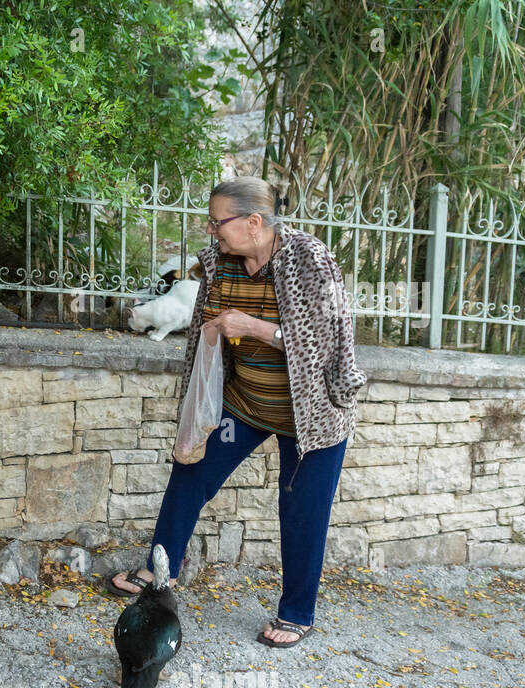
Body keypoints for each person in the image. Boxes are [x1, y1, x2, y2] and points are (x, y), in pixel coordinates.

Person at [104, 176, 367, 647]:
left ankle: (297, 612)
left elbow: (325, 345)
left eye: (217, 221)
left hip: (311, 416)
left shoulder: (310, 260)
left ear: (253, 221)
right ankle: (158, 569)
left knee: (303, 509)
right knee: (191, 470)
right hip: (245, 403)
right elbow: (201, 339)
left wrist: (256, 328)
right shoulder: (221, 266)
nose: (211, 230)